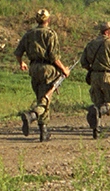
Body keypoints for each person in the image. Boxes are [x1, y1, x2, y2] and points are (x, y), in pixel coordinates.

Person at [14, 8, 70, 142]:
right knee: (45, 99)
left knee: (41, 97)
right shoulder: (50, 34)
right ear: (48, 20)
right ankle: (31, 116)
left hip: (34, 68)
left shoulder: (29, 34)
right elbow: (54, 56)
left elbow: (18, 53)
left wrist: (21, 63)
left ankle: (43, 132)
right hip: (48, 69)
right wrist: (64, 70)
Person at [79, 21, 110, 139]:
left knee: (97, 102)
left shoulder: (91, 44)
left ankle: (97, 131)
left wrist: (92, 69)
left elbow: (83, 62)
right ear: (107, 32)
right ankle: (99, 111)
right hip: (107, 76)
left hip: (94, 76)